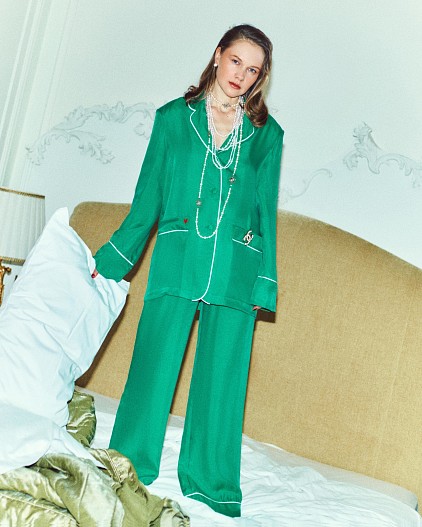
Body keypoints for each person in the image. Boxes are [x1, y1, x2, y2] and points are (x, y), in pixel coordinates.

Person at [93, 23, 284, 518]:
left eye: (253, 70)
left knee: (224, 379)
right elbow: (146, 203)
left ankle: (211, 481)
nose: (241, 75)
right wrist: (105, 264)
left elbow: (265, 212)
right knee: (151, 366)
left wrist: (266, 281)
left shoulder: (267, 136)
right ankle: (128, 464)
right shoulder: (173, 120)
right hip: (177, 258)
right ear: (218, 55)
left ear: (260, 77)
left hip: (236, 266)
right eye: (236, 61)